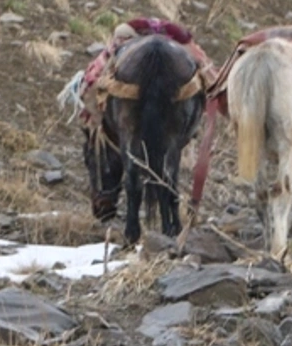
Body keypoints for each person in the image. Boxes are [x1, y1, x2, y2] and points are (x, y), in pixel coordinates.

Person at [72, 18, 215, 221]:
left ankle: (132, 225)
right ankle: (171, 221)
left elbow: (91, 81)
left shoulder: (118, 45)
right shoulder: (183, 43)